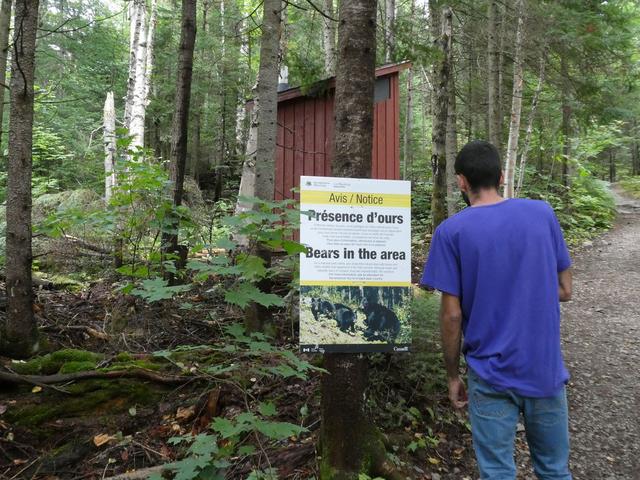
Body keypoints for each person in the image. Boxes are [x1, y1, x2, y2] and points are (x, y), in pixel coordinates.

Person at [420, 140, 573, 480]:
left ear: (461, 182)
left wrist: (452, 375)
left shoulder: (451, 232)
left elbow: (452, 316)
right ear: (501, 176)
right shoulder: (542, 214)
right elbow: (565, 290)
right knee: (554, 470)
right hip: (544, 370)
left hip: (489, 376)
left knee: (497, 472)